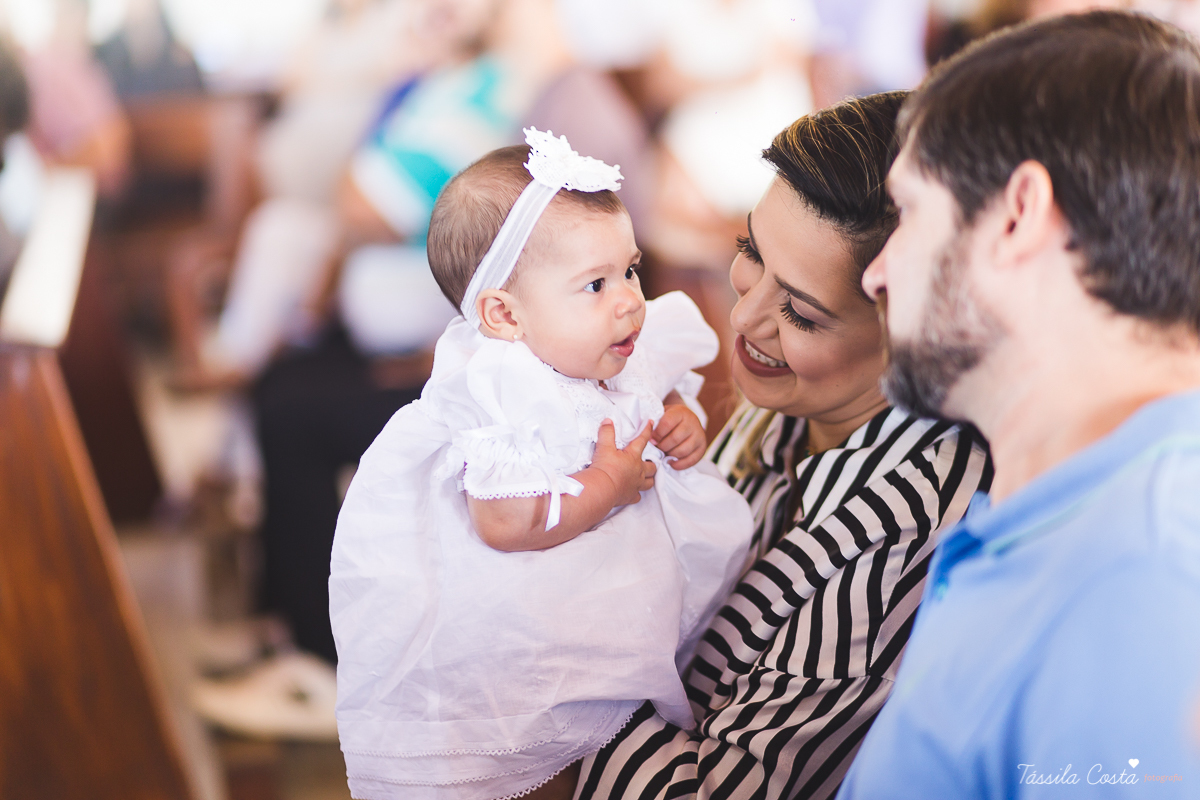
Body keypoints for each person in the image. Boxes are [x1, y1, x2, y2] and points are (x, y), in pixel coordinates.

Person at [532, 92, 991, 800]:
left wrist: (560, 653)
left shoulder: (906, 540)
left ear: (918, 339)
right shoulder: (789, 410)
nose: (744, 317)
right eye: (750, 251)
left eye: (801, 313)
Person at [329, 129, 755, 799]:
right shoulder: (502, 387)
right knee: (536, 757)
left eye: (630, 270)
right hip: (530, 626)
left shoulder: (615, 344)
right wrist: (603, 486)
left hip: (618, 593)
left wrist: (679, 421)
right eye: (594, 284)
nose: (627, 300)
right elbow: (503, 519)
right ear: (504, 314)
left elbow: (652, 390)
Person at [840, 11, 1200, 798]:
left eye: (908, 214)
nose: (877, 275)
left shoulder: (1141, 580)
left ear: (1015, 215)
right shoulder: (1070, 512)